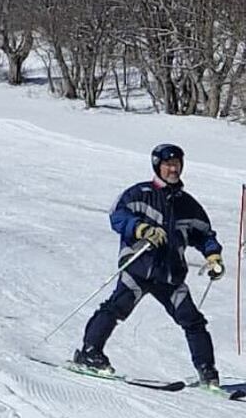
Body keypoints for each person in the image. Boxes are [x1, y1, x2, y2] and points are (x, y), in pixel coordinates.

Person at [74, 143, 224, 386]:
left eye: (177, 165)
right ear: (157, 166)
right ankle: (89, 353)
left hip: (170, 275)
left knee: (193, 320)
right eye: (168, 165)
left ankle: (207, 371)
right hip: (139, 266)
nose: (173, 169)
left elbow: (205, 234)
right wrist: (141, 228)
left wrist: (213, 255)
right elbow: (117, 216)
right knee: (115, 309)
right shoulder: (139, 193)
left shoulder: (188, 204)